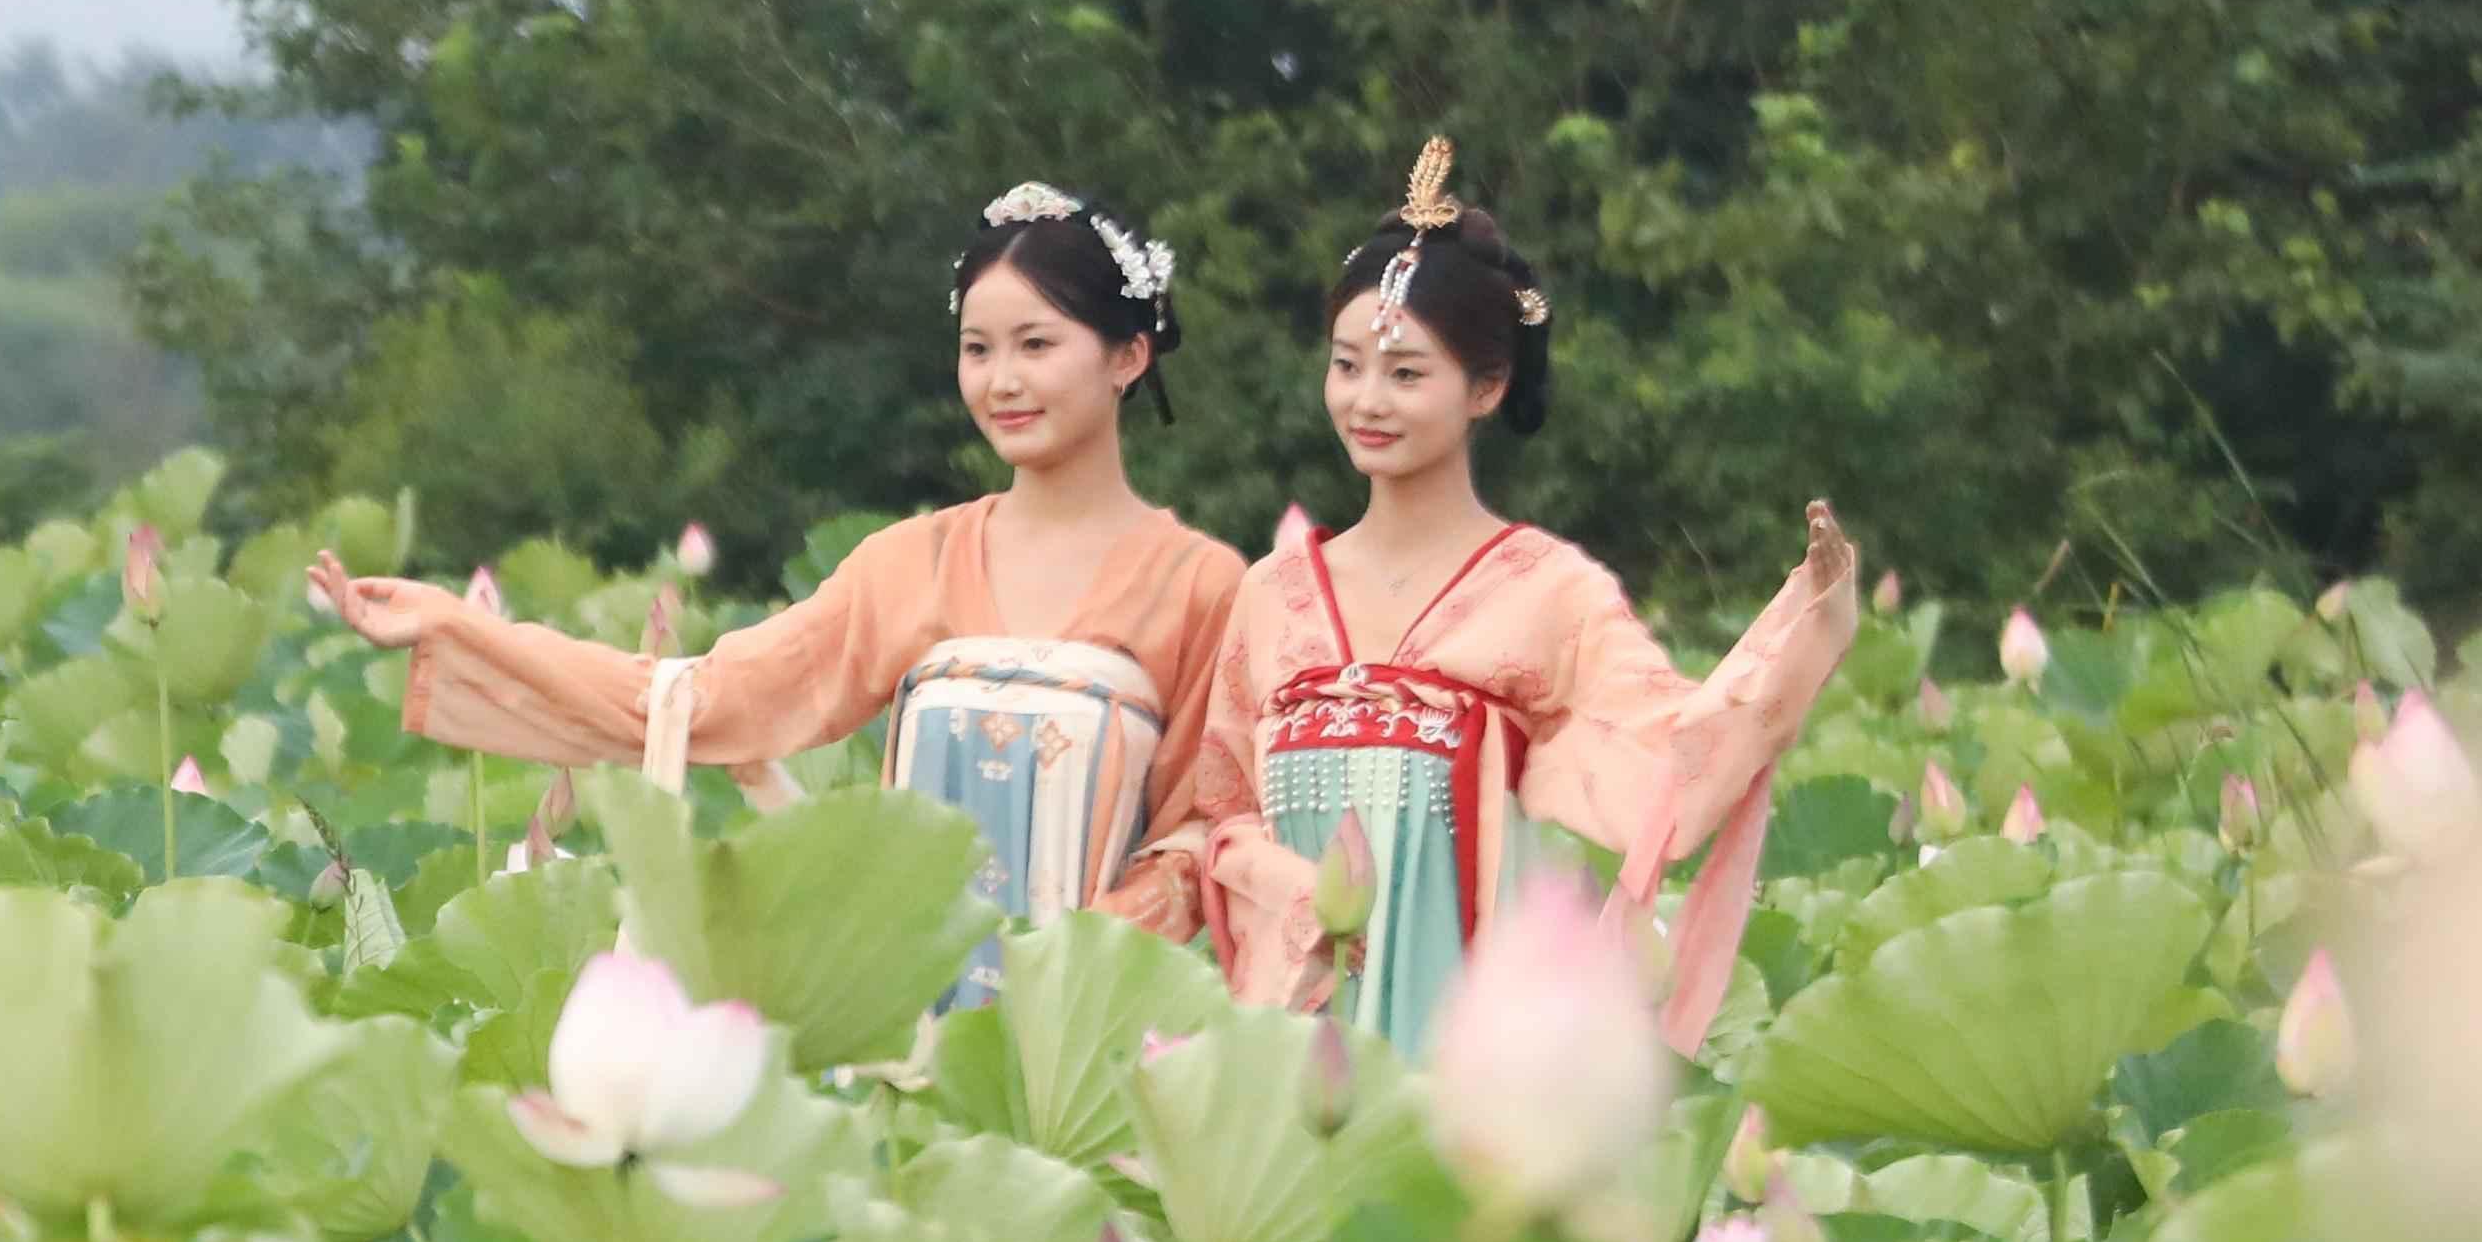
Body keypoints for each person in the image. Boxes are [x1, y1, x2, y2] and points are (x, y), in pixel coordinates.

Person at [309, 183, 1247, 965]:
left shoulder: (1202, 585)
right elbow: (698, 700)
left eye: (1036, 345)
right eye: (977, 348)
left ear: (1128, 355)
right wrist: (459, 626)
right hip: (900, 1011)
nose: (1001, 380)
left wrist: (1070, 959)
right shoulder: (908, 564)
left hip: (1094, 1025)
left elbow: (1204, 831)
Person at [1166, 140, 1857, 1050]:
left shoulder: (1549, 591)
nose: (1366, 400)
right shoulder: (1273, 593)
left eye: (1406, 373)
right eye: (1347, 365)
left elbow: (1670, 751)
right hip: (1293, 1043)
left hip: (1466, 1045)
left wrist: (1809, 620)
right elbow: (1224, 812)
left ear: (1486, 388)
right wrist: (1295, 896)